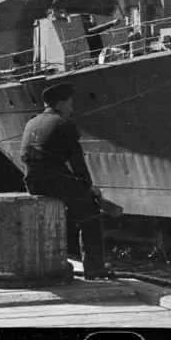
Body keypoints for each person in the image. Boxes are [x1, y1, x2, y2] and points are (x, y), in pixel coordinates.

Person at [19, 82, 112, 280]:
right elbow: (77, 162)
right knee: (91, 214)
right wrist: (90, 187)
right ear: (60, 104)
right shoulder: (63, 123)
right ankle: (94, 267)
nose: (72, 109)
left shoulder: (32, 122)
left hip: (32, 183)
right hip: (54, 182)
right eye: (70, 104)